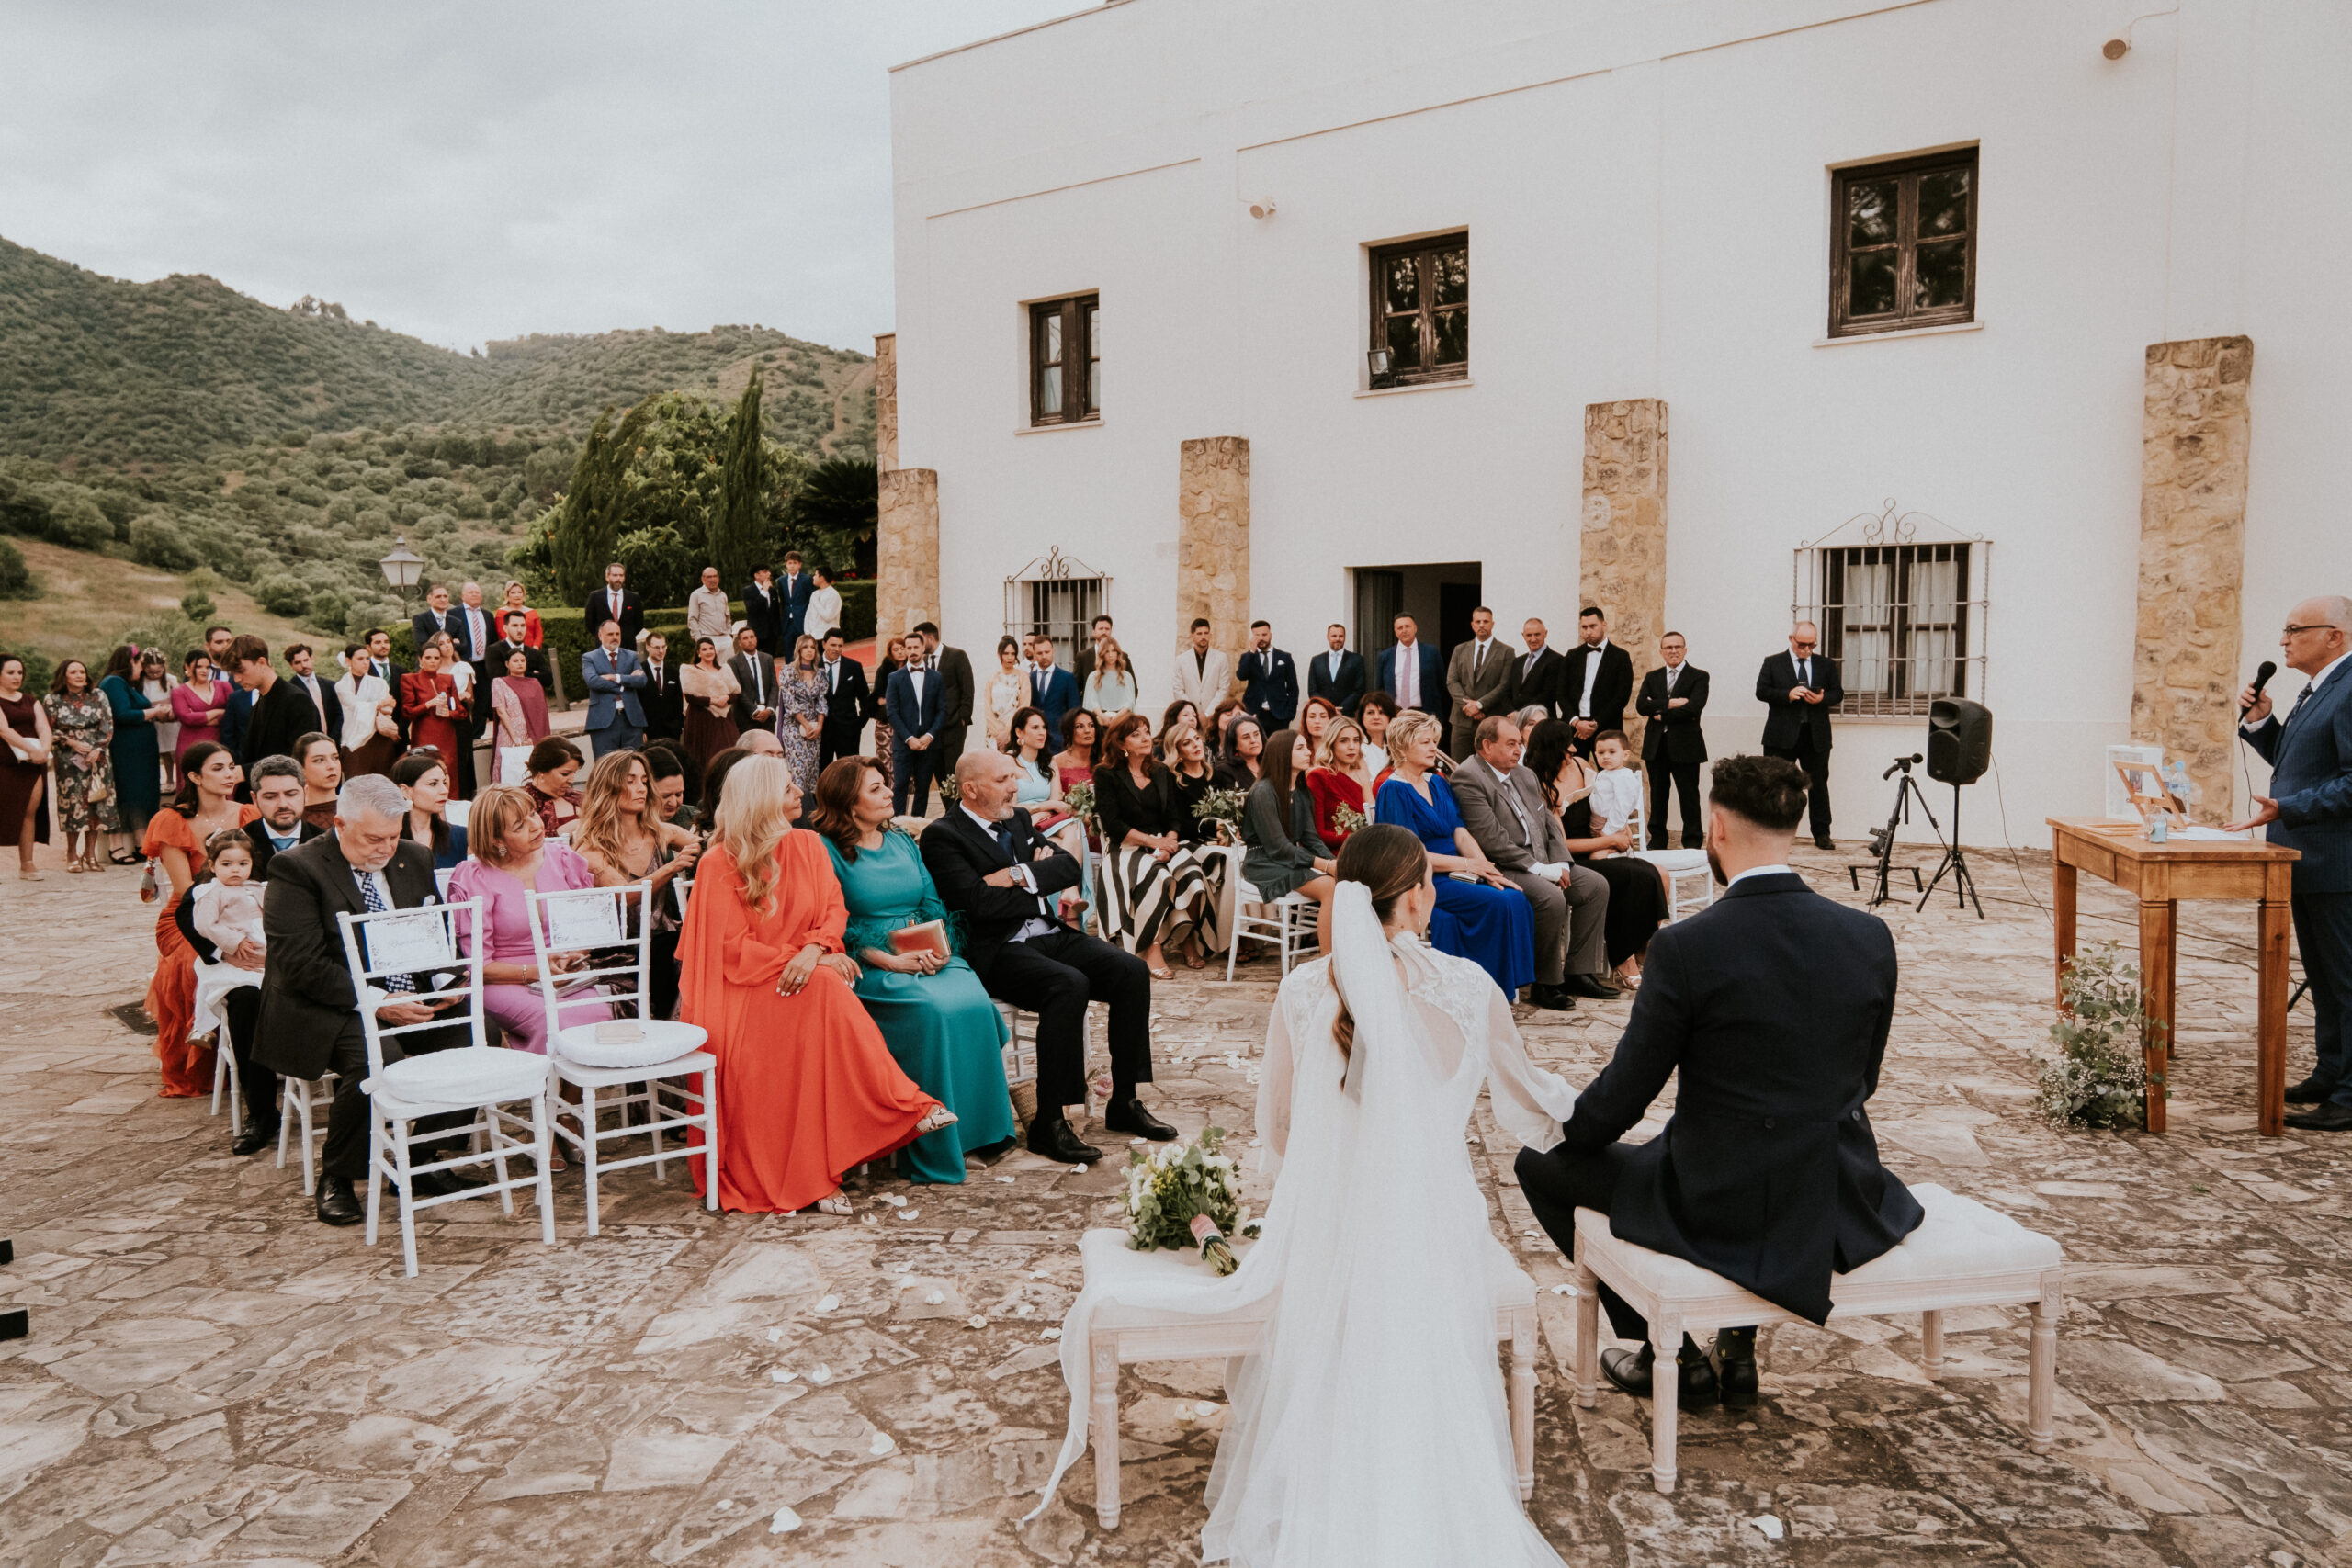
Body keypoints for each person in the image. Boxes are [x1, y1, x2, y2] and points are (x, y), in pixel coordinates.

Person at [1031, 825, 1578, 1567]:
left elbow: (1280, 1128)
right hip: (1435, 1228)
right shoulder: (1470, 988)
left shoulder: (1301, 990)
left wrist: (1338, 1175)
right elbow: (1532, 1100)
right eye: (1427, 882)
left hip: (1330, 1226)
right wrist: (1595, 1118)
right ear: (1417, 896)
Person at [1516, 754, 1922, 1409]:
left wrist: (1570, 1127)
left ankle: (1669, 1353)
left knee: (1539, 1164)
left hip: (1718, 1195)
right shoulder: (1869, 935)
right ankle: (1734, 1351)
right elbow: (1863, 1078)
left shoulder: (1687, 946)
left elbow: (1625, 1096)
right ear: (1792, 826)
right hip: (1838, 1188)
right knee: (1732, 1148)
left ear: (1717, 828)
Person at [677, 756, 953, 1214]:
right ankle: (900, 1108)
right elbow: (732, 952)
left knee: (824, 991)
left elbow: (833, 911)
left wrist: (815, 952)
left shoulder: (807, 844)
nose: (799, 794)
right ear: (762, 799)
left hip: (801, 978)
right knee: (825, 989)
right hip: (743, 991)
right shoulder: (717, 863)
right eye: (788, 788)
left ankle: (860, 1138)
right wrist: (809, 961)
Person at [922, 749, 1172, 1162]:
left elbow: (1069, 867)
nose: (1014, 787)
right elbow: (977, 904)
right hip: (998, 949)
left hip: (1047, 933)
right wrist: (1036, 884)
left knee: (1130, 970)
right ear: (971, 789)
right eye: (1003, 780)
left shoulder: (1018, 820)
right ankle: (1049, 1122)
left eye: (1013, 778)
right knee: (1067, 984)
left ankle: (1124, 1101)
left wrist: (1016, 875)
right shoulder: (943, 836)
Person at [254, 773, 473, 1226]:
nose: (387, 848)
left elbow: (433, 933)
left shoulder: (413, 855)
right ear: (340, 823)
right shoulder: (296, 869)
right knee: (377, 1059)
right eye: (374, 839)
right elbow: (301, 965)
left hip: (406, 991)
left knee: (477, 1031)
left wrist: (446, 981)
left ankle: (421, 1157)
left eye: (394, 836)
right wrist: (378, 1002)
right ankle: (339, 1175)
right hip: (327, 1003)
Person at [809, 757, 1019, 1182]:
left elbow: (931, 901)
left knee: (974, 1003)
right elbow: (833, 923)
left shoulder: (902, 841)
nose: (890, 792)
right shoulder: (825, 851)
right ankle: (935, 1143)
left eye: (886, 784)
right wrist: (889, 959)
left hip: (923, 950)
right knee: (933, 1011)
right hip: (869, 964)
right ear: (848, 803)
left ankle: (981, 1133)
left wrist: (937, 947)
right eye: (875, 788)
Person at [2231, 594, 2352, 1131]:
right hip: (2304, 858)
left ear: (2334, 636)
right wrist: (2264, 724)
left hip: (2338, 862)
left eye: (2295, 629)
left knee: (2346, 981)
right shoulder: (2320, 688)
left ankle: (2350, 1096)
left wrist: (2289, 808)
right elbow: (2301, 763)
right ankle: (2331, 1073)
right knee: (2323, 978)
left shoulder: (2350, 688)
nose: (2283, 640)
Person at [179, 754, 317, 1154]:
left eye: (290, 793)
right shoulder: (237, 843)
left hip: (303, 956)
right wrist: (224, 950)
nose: (283, 803)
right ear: (255, 799)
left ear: (305, 794)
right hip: (244, 960)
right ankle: (261, 1112)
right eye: (271, 796)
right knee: (245, 1001)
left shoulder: (326, 841)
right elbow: (191, 908)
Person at [1452, 714, 1615, 1009]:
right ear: (1487, 746)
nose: (1519, 750)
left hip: (1543, 859)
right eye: (1511, 744)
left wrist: (1561, 862)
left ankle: (1578, 971)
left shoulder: (1524, 774)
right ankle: (1545, 982)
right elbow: (1491, 839)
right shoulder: (1469, 778)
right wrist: (1541, 869)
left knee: (1595, 886)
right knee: (1550, 898)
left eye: (1519, 743)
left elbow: (1549, 821)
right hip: (1503, 866)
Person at [1373, 710, 1534, 998]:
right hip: (1425, 878)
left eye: (1434, 741)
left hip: (1460, 869)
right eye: (1425, 742)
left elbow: (1460, 832)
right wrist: (1468, 864)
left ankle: (1497, 985)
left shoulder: (1437, 782)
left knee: (1515, 896)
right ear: (1402, 747)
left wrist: (1487, 868)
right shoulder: (1393, 790)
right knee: (1497, 903)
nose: (1434, 748)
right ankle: (1490, 991)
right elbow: (1410, 854)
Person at [446, 783, 614, 1058]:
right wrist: (537, 971)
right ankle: (540, 1082)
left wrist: (573, 956)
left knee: (599, 1016)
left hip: (562, 975)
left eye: (533, 814)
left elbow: (585, 929)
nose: (536, 826)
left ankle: (578, 1088)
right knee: (554, 1021)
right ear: (496, 841)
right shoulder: (474, 877)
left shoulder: (562, 858)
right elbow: (479, 965)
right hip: (501, 982)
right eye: (519, 826)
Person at [142, 741, 257, 1095]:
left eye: (231, 766)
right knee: (189, 963)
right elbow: (186, 891)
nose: (229, 774)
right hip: (190, 913)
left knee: (260, 954)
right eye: (218, 768)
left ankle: (255, 1057)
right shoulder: (171, 821)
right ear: (194, 777)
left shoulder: (248, 814)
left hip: (243, 906)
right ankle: (202, 1049)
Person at [1527, 719, 1666, 994]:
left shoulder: (1580, 765)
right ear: (1552, 748)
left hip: (1600, 842)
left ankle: (1643, 947)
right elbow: (1560, 845)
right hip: (1573, 857)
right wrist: (1609, 840)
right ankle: (1624, 958)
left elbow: (1609, 798)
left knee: (1658, 873)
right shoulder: (1540, 783)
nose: (1573, 748)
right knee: (1634, 876)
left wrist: (1618, 828)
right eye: (1566, 744)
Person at [1092, 713, 1229, 976]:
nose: (1145, 738)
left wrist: (1170, 843)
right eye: (1136, 734)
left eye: (1146, 731)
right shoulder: (1107, 774)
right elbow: (1113, 825)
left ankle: (1186, 938)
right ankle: (1150, 948)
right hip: (1127, 846)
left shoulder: (1160, 771)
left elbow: (1173, 818)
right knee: (1154, 874)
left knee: (1192, 872)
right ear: (1121, 743)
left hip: (1164, 841)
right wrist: (1154, 842)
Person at [571, 748, 703, 1020]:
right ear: (608, 787)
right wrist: (672, 866)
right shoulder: (592, 848)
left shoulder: (658, 831)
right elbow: (625, 896)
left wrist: (702, 850)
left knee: (693, 943)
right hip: (620, 951)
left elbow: (701, 845)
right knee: (681, 948)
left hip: (665, 943)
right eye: (630, 781)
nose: (641, 788)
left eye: (644, 780)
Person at [1242, 729, 1338, 935]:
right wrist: (1325, 865)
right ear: (1283, 754)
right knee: (1330, 887)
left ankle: (1344, 948)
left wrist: (1335, 863)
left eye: (1307, 747)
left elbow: (1311, 839)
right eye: (1300, 748)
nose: (1308, 753)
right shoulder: (1263, 792)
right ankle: (1328, 954)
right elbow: (1278, 848)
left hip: (1288, 860)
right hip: (1263, 863)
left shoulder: (1302, 792)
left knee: (1346, 882)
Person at [1757, 621, 1842, 849]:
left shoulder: (1825, 664)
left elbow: (1838, 693)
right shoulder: (1773, 662)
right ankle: (1774, 832)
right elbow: (1761, 691)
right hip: (1781, 735)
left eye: (1811, 645)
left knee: (1818, 785)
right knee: (1776, 785)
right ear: (1791, 639)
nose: (1806, 650)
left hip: (1815, 735)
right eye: (1802, 644)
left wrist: (1822, 699)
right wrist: (1788, 694)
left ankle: (1822, 833)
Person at [1634, 631, 1709, 850]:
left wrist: (1660, 713)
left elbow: (1693, 708)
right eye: (1669, 647)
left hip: (1686, 745)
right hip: (1656, 745)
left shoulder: (1699, 676)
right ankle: (1657, 840)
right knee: (1658, 796)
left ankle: (1692, 842)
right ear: (1661, 652)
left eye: (1678, 647)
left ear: (1685, 650)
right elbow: (1641, 706)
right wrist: (1671, 703)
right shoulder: (1652, 677)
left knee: (1689, 795)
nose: (1673, 651)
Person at [43, 660, 119, 873]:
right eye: (74, 672)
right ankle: (71, 853)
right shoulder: (53, 699)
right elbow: (47, 729)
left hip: (98, 757)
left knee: (96, 802)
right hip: (69, 758)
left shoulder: (98, 695)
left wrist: (98, 749)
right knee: (73, 805)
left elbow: (108, 724)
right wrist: (71, 742)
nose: (79, 675)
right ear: (64, 676)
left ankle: (90, 853)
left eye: (82, 671)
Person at [99, 643, 167, 861]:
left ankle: (141, 843)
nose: (142, 669)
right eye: (140, 663)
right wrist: (154, 712)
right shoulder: (114, 682)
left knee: (141, 795)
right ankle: (116, 847)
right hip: (126, 750)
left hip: (141, 752)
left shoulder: (129, 685)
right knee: (126, 793)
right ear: (130, 662)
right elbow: (122, 714)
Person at [0, 653, 53, 879]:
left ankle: (27, 864)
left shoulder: (31, 700)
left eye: (20, 672)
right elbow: (4, 730)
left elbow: (43, 728)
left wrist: (44, 749)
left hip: (33, 764)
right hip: (5, 763)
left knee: (28, 812)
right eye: (10, 672)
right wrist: (30, 749)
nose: (17, 677)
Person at [884, 634, 946, 817]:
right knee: (900, 786)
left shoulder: (936, 677)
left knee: (923, 787)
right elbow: (892, 712)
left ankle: (917, 825)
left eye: (915, 647)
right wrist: (909, 738)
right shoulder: (895, 678)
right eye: (908, 648)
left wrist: (930, 736)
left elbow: (942, 710)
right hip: (904, 742)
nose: (912, 651)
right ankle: (897, 824)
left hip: (928, 743)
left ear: (923, 648)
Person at [1561, 605, 1634, 759]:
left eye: (1593, 626)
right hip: (1575, 730)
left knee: (1610, 771)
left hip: (1607, 728)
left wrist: (1596, 723)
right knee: (1574, 771)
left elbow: (1621, 697)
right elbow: (1561, 693)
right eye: (1584, 627)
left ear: (1604, 625)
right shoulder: (1572, 656)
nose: (1588, 631)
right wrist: (1576, 722)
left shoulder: (1620, 657)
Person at [1445, 606, 1515, 760]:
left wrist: (1479, 705)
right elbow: (1452, 681)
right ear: (1472, 625)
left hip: (1490, 721)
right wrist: (1469, 707)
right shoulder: (1459, 650)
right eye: (1478, 622)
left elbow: (1504, 685)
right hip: (1461, 721)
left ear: (1492, 624)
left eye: (1485, 621)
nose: (1482, 625)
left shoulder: (1506, 651)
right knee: (1459, 767)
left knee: (1490, 766)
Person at [391, 750, 469, 872]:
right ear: (405, 791)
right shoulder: (389, 839)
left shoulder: (459, 836)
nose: (444, 790)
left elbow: (501, 852)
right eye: (433, 784)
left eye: (444, 782)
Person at [579, 619, 648, 758]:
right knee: (606, 766)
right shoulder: (589, 658)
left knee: (633, 763)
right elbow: (593, 681)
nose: (615, 637)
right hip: (603, 721)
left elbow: (641, 680)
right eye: (610, 634)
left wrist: (616, 677)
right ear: (600, 636)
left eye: (617, 634)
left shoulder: (631, 656)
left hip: (631, 720)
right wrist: (624, 685)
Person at [1008, 705, 1079, 839]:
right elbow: (1011, 807)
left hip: (1047, 819)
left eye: (1044, 727)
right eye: (1035, 728)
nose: (1042, 733)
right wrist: (1046, 806)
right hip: (1020, 822)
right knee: (1059, 843)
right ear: (1019, 732)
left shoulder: (1049, 761)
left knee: (1074, 830)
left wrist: (1042, 812)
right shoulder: (1008, 761)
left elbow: (1057, 801)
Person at [1306, 717, 1374, 852]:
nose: (1352, 746)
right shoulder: (1319, 776)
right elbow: (1316, 834)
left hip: (1367, 849)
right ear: (1331, 744)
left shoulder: (1362, 774)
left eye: (1356, 740)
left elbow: (1374, 822)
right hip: (1336, 853)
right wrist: (1358, 837)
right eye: (1344, 741)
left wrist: (1366, 783)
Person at [914, 622, 976, 770]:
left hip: (954, 725)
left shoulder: (957, 656)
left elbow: (967, 688)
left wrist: (963, 717)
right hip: (932, 730)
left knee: (952, 771)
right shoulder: (923, 662)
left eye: (920, 640)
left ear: (930, 638)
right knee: (938, 771)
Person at [334, 644, 401, 781]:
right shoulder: (342, 685)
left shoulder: (379, 683)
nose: (365, 662)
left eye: (367, 658)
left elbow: (388, 709)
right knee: (356, 781)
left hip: (380, 737)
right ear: (348, 661)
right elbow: (354, 706)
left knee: (383, 781)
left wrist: (378, 705)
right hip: (353, 739)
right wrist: (380, 703)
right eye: (360, 659)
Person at [489, 645, 553, 784]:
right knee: (510, 770)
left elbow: (541, 712)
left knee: (531, 770)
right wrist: (514, 737)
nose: (520, 663)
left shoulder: (535, 683)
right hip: (508, 733)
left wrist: (534, 738)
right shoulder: (499, 682)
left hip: (531, 734)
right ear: (507, 664)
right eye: (515, 661)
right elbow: (501, 710)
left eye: (522, 661)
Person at [400, 639, 468, 770]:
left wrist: (450, 713)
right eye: (428, 657)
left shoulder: (448, 679)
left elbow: (461, 712)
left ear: (440, 660)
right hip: (423, 733)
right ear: (420, 659)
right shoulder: (410, 679)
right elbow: (407, 712)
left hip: (447, 734)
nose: (433, 661)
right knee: (425, 769)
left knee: (448, 769)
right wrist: (428, 704)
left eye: (436, 658)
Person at [775, 634, 829, 795]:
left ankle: (809, 807)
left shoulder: (820, 674)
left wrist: (819, 726)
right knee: (797, 771)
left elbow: (822, 701)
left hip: (814, 728)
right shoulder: (788, 671)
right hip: (794, 727)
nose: (809, 650)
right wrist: (805, 724)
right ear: (799, 650)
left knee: (812, 771)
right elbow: (790, 702)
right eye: (805, 647)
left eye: (812, 647)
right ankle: (795, 804)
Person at [680, 636, 742, 770]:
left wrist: (726, 698)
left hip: (724, 719)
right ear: (698, 653)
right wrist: (712, 701)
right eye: (704, 649)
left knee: (729, 750)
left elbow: (736, 693)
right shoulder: (690, 671)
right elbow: (690, 697)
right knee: (705, 757)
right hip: (701, 719)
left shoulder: (725, 669)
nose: (708, 652)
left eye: (711, 648)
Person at [1238, 620, 1298, 734]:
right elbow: (1241, 676)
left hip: (1279, 715)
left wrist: (1290, 713)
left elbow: (1293, 687)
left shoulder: (1285, 657)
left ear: (1270, 635)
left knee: (1279, 744)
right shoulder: (1247, 657)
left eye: (1264, 634)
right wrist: (1252, 652)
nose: (1261, 638)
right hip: (1254, 713)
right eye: (1257, 635)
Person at [1375, 614, 1442, 716]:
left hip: (1424, 713)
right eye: (1400, 628)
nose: (1404, 630)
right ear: (1395, 631)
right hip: (1395, 713)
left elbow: (1441, 683)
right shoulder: (1385, 656)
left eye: (1407, 626)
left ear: (1415, 628)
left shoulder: (1431, 652)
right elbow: (1380, 687)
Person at [1588, 730, 1645, 847]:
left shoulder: (1624, 777)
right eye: (1601, 753)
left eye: (1612, 752)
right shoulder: (1603, 773)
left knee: (1599, 854)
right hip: (1596, 822)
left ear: (1625, 755)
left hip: (1610, 826)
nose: (1606, 756)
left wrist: (1607, 833)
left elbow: (1621, 808)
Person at [170, 650, 225, 767]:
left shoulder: (223, 686)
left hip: (219, 743)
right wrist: (217, 711)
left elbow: (232, 713)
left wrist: (199, 718)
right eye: (199, 667)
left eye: (207, 667)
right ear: (187, 667)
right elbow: (186, 718)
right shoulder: (179, 692)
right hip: (190, 745)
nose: (204, 671)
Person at [523, 737, 584, 839]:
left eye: (574, 773)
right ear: (542, 772)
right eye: (565, 774)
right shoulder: (520, 806)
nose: (571, 780)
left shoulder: (578, 798)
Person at [282, 644, 344, 742]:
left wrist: (332, 740)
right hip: (307, 744)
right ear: (291, 665)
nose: (304, 665)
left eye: (306, 660)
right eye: (298, 662)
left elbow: (339, 714)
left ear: (312, 659)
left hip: (333, 742)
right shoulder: (289, 690)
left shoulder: (330, 685)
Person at [488, 610, 552, 703]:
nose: (519, 630)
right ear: (505, 628)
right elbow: (499, 680)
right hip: (507, 703)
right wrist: (534, 675)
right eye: (515, 626)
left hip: (533, 702)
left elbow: (548, 679)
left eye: (522, 625)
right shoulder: (494, 650)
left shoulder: (534, 653)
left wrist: (516, 673)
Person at [869, 633, 906, 792]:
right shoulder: (884, 670)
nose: (900, 652)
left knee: (905, 766)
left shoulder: (913, 670)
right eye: (895, 649)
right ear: (890, 652)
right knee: (886, 763)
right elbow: (878, 699)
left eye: (902, 648)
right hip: (886, 722)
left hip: (906, 723)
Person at [727, 624, 776, 739]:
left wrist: (769, 709)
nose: (749, 640)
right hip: (746, 717)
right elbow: (738, 690)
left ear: (756, 639)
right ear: (740, 643)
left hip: (767, 716)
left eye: (752, 637)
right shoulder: (734, 662)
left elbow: (774, 686)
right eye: (745, 638)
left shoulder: (767, 659)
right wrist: (754, 711)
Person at [1026, 635, 1080, 740]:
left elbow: (1074, 710)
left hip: (1059, 738)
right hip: (1034, 738)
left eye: (1047, 652)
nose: (1044, 656)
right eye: (1040, 653)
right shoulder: (1029, 678)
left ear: (1053, 652)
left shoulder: (1067, 678)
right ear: (1034, 654)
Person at [138, 650, 180, 785]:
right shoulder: (141, 682)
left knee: (175, 750)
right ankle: (167, 780)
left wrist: (170, 709)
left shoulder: (170, 679)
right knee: (162, 751)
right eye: (151, 672)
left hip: (170, 720)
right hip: (153, 720)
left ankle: (179, 779)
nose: (155, 675)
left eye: (158, 672)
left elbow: (179, 696)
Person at [1171, 617, 1231, 714]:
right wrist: (1193, 713)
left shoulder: (1221, 658)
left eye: (1206, 633)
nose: (1203, 637)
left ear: (1210, 635)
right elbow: (1178, 690)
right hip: (1190, 715)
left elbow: (1224, 689)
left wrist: (1207, 714)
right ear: (1192, 636)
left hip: (1213, 714)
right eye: (1199, 633)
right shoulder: (1181, 660)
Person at [1511, 617, 1566, 722]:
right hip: (1515, 721)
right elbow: (1508, 691)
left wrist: (1521, 714)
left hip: (1542, 721)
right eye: (1529, 635)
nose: (1533, 639)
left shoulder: (1557, 660)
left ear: (1545, 633)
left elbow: (1548, 695)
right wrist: (1510, 712)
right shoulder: (1518, 661)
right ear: (1523, 635)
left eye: (1537, 634)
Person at [1307, 622, 1366, 716]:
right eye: (1334, 636)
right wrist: (1327, 707)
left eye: (1341, 636)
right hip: (1323, 714)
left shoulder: (1357, 660)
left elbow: (1359, 690)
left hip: (1347, 714)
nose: (1337, 639)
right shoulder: (1316, 661)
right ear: (1328, 637)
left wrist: (1342, 708)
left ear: (1345, 637)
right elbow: (1312, 690)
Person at [583, 560, 643, 649]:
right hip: (603, 647)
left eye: (621, 575)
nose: (618, 578)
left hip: (627, 647)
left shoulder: (633, 598)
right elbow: (589, 623)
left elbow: (639, 624)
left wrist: (626, 635)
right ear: (607, 577)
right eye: (615, 575)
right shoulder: (595, 597)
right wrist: (604, 636)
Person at [639, 630, 684, 746]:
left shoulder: (673, 671)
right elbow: (637, 702)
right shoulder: (639, 671)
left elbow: (678, 701)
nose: (661, 651)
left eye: (663, 647)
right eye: (657, 647)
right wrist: (641, 729)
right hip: (649, 733)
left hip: (671, 733)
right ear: (647, 647)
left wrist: (678, 725)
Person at [981, 635, 1027, 750]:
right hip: (994, 734)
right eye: (1006, 653)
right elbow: (987, 708)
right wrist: (997, 733)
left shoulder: (1023, 677)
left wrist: (1008, 731)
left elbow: (1024, 706)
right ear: (999, 654)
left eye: (1013, 654)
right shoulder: (992, 679)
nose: (1009, 657)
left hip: (1015, 731)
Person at [1080, 636, 1137, 727]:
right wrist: (1103, 716)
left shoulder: (1126, 676)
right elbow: (1092, 701)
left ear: (1118, 653)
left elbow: (1129, 702)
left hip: (1122, 721)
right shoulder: (1093, 676)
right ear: (1102, 654)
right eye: (1107, 651)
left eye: (1113, 651)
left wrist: (1116, 717)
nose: (1110, 655)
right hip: (1100, 721)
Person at [294, 732, 344, 832]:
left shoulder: (356, 808)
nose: (331, 766)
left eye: (335, 758)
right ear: (301, 768)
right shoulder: (293, 816)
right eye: (319, 760)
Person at [645, 741, 698, 829]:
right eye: (665, 796)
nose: (673, 803)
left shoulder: (694, 818)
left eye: (678, 794)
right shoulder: (626, 825)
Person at [1052, 708, 1100, 798]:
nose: (1087, 730)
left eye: (1091, 725)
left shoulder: (1103, 760)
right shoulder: (1056, 762)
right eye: (1079, 726)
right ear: (1068, 733)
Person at [409, 582, 460, 660]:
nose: (443, 599)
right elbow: (422, 645)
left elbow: (463, 646)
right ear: (429, 599)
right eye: (438, 597)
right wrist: (451, 644)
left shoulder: (456, 622)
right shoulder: (420, 619)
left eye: (445, 596)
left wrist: (433, 643)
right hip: (429, 663)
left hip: (451, 663)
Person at [686, 565, 733, 649]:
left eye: (715, 576)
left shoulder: (723, 595)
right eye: (709, 577)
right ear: (703, 579)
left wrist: (729, 634)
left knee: (730, 658)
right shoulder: (696, 595)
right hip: (707, 638)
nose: (713, 579)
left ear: (718, 578)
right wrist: (699, 640)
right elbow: (692, 619)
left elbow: (727, 617)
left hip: (725, 638)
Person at [1215, 715, 1265, 792]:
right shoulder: (1225, 770)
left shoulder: (1270, 762)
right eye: (1246, 737)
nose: (1253, 740)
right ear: (1234, 744)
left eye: (1256, 734)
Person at [777, 551, 816, 649]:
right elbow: (783, 601)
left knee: (803, 648)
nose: (792, 566)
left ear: (800, 565)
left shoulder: (806, 579)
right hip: (787, 622)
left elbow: (811, 600)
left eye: (795, 563)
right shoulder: (781, 581)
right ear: (786, 564)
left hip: (802, 620)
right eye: (790, 563)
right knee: (788, 649)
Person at [741, 564, 782, 657]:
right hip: (756, 633)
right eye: (765, 571)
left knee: (769, 660)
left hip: (772, 634)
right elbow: (752, 609)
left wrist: (777, 631)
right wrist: (764, 592)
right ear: (756, 575)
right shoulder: (748, 591)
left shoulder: (772, 591)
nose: (769, 574)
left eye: (769, 571)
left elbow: (776, 612)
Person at [1357, 691, 1399, 779]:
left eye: (1382, 712)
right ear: (1362, 717)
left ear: (1390, 718)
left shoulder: (1396, 747)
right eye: (1370, 712)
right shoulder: (1357, 747)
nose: (1376, 717)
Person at [1073, 612, 1114, 687]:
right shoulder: (1083, 657)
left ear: (1111, 631)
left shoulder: (1122, 656)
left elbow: (1132, 687)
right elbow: (1076, 686)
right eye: (1101, 629)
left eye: (1107, 629)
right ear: (1093, 632)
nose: (1104, 632)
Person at [805, 565, 843, 646]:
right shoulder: (815, 594)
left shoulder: (833, 594)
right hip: (813, 637)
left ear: (822, 578)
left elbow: (828, 616)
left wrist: (816, 602)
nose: (813, 577)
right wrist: (808, 634)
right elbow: (808, 616)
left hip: (828, 638)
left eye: (815, 575)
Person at [500, 581, 545, 649]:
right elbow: (502, 634)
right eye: (513, 593)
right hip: (510, 651)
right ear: (507, 596)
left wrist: (535, 648)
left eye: (520, 592)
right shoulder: (501, 613)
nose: (517, 595)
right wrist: (515, 650)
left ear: (523, 595)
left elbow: (539, 634)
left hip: (531, 650)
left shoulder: (532, 612)